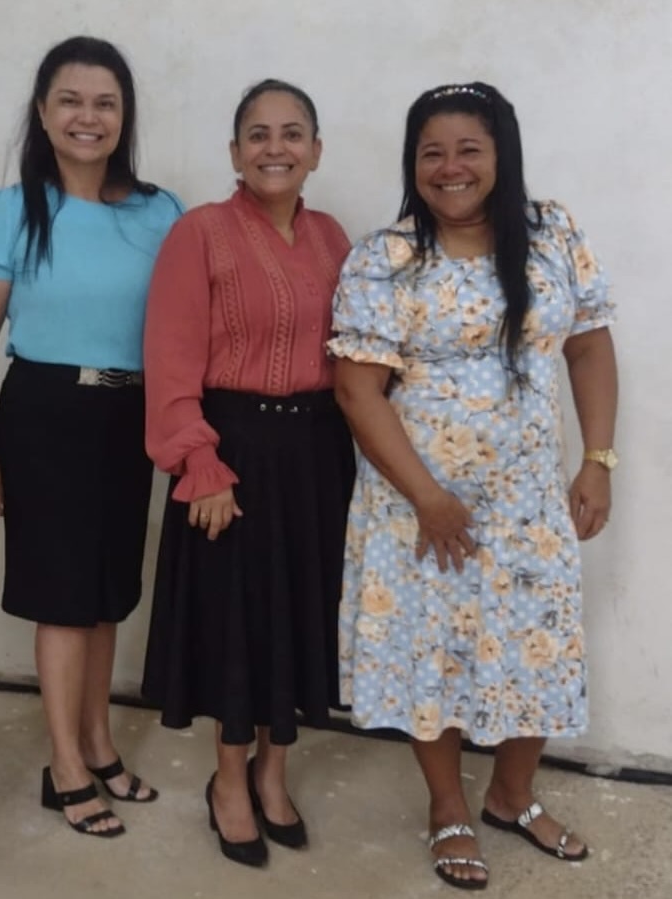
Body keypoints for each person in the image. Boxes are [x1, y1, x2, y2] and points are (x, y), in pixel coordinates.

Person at [330, 82, 617, 890]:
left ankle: (512, 796)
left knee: (537, 646)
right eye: (432, 153)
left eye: (468, 150)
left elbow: (588, 344)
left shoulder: (551, 234)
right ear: (412, 163)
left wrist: (598, 458)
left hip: (529, 504)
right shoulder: (386, 258)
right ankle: (448, 804)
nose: (449, 168)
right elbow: (357, 389)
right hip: (416, 507)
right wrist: (428, 496)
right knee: (434, 651)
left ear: (501, 156)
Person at [0, 36, 182, 837]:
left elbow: (181, 326)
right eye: (70, 100)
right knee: (62, 597)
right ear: (42, 111)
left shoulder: (158, 211)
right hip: (46, 411)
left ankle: (99, 741)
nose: (87, 117)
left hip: (131, 414)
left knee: (107, 590)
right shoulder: (6, 212)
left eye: (104, 103)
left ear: (124, 116)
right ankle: (64, 765)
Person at [142, 79, 356, 867]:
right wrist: (200, 462)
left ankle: (274, 770)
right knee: (237, 619)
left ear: (316, 151)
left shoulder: (333, 238)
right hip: (230, 449)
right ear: (235, 152)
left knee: (296, 612)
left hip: (317, 451)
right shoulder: (200, 232)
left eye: (292, 133)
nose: (275, 148)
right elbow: (169, 355)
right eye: (258, 135)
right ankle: (229, 778)